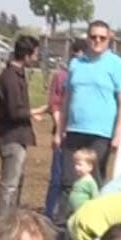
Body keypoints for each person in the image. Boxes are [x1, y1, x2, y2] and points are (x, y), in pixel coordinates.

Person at [55, 21, 121, 206]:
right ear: (87, 38)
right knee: (68, 182)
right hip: (74, 131)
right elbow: (67, 100)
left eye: (102, 38)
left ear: (108, 39)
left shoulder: (117, 65)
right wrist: (59, 131)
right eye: (93, 37)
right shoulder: (76, 64)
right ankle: (63, 229)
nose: (97, 41)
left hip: (101, 135)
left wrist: (118, 133)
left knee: (93, 183)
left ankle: (89, 228)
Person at [0, 35, 46, 216]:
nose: (36, 57)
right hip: (11, 137)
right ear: (26, 55)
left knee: (16, 182)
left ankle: (10, 221)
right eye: (35, 54)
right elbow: (13, 111)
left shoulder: (17, 75)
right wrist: (33, 112)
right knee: (9, 184)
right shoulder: (10, 78)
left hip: (17, 136)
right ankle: (2, 224)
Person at [44, 39, 86, 221]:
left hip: (81, 132)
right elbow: (54, 104)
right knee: (58, 177)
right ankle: (50, 214)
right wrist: (60, 129)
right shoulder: (62, 76)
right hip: (64, 131)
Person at [66, 148, 100, 216]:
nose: (76, 167)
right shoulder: (78, 180)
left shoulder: (90, 182)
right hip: (74, 212)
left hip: (84, 213)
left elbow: (96, 197)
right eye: (75, 164)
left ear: (90, 167)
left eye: (79, 165)